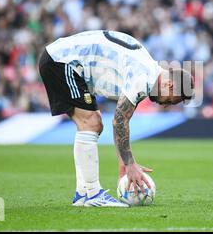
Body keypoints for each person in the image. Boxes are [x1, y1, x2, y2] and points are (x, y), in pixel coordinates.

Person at [39, 30, 194, 207]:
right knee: (91, 123)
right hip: (62, 61)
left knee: (91, 123)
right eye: (172, 100)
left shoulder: (148, 72)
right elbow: (119, 120)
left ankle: (83, 194)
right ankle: (92, 194)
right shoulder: (144, 78)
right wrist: (130, 165)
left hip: (60, 58)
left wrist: (123, 163)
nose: (166, 105)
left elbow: (122, 123)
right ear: (169, 85)